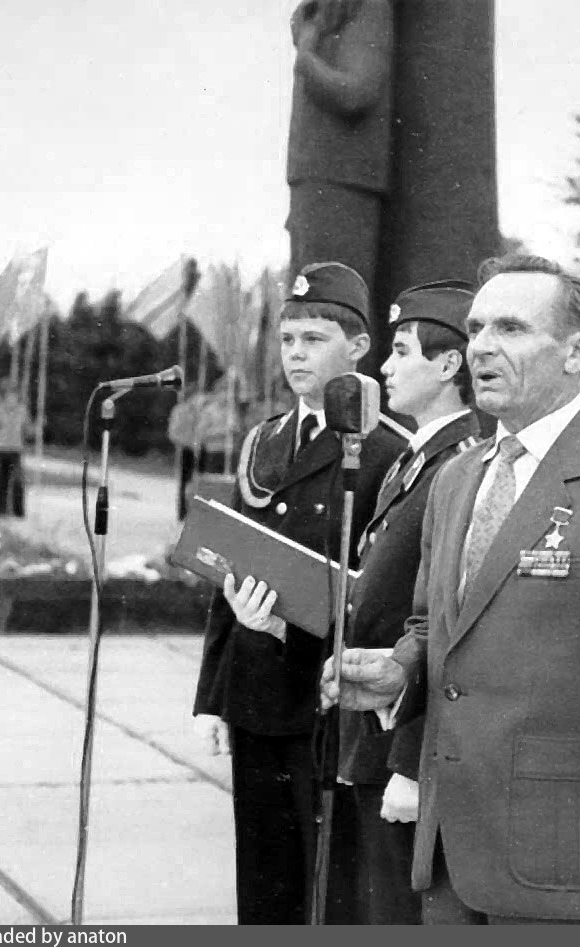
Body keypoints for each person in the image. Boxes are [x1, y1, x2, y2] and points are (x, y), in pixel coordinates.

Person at [323, 254, 580, 925]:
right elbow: (435, 625)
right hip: (449, 859)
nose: (481, 347)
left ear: (576, 352)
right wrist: (400, 672)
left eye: (511, 328)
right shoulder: (457, 479)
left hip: (560, 869)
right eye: (476, 328)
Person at [229, 278, 480, 924]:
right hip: (364, 730)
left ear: (448, 365)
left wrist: (410, 761)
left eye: (401, 351)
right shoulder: (417, 463)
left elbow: (441, 625)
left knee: (390, 912)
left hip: (394, 737)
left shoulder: (456, 465)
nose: (386, 368)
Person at [192, 261, 408, 925]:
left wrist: (290, 628)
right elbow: (232, 565)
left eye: (313, 339)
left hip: (325, 704)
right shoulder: (266, 440)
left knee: (331, 887)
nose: (295, 354)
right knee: (262, 881)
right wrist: (212, 696)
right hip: (255, 692)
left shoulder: (388, 451)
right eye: (287, 340)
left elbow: (386, 597)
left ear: (358, 346)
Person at [286, 0, 394, 373]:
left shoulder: (367, 7)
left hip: (343, 178)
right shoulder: (326, 15)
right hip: (317, 177)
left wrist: (306, 58)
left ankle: (347, 403)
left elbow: (356, 91)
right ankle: (322, 403)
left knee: (336, 307)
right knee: (311, 305)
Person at [0, 376, 32, 517]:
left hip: (15, 450)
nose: (12, 399)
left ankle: (18, 512)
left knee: (17, 482)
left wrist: (37, 427)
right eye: (9, 395)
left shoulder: (22, 411)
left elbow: (27, 431)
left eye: (15, 395)